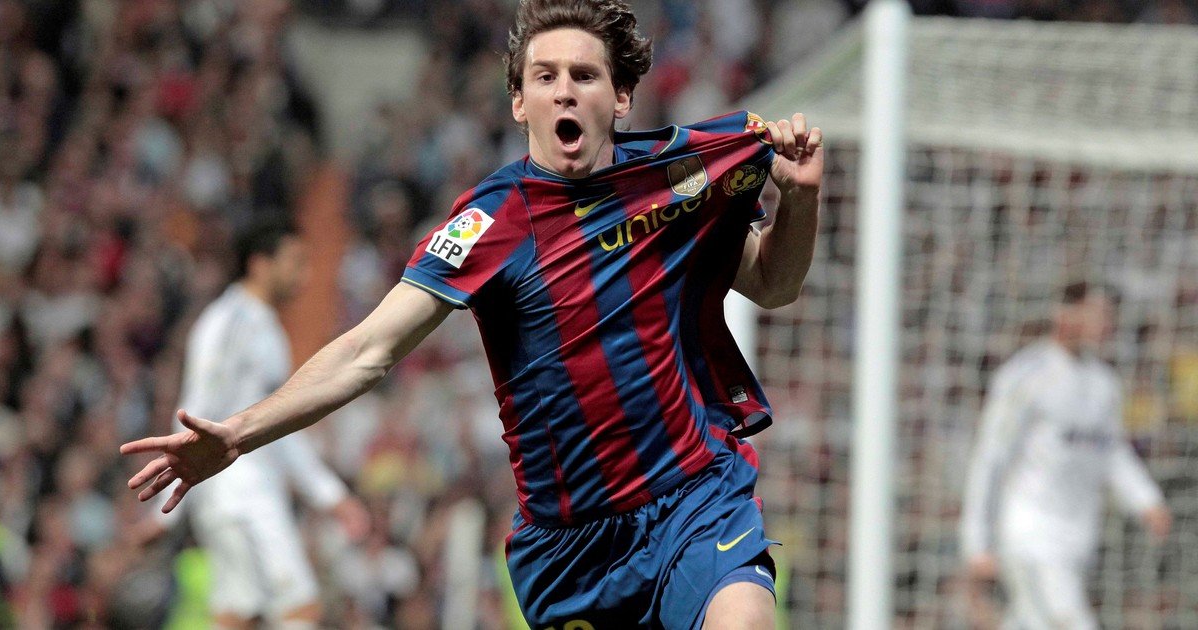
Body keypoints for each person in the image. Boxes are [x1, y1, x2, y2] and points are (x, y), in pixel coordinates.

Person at [121, 1, 823, 627]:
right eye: (545, 76)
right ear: (519, 102)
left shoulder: (674, 184)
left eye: (584, 75)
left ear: (620, 96)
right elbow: (369, 350)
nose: (564, 90)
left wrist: (799, 200)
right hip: (573, 548)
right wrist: (239, 434)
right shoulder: (490, 222)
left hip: (694, 497)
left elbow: (773, 283)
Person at [141, 222, 369, 630]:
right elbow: (195, 409)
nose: (304, 275)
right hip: (241, 491)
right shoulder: (230, 321)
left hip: (238, 491)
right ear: (260, 264)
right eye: (295, 262)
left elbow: (278, 429)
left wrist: (329, 495)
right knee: (299, 606)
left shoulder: (263, 325)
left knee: (237, 615)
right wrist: (164, 513)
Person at [960, 282, 1173, 630]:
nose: (1106, 322)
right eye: (1096, 313)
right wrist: (976, 541)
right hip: (1030, 533)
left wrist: (1146, 500)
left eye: (1108, 314)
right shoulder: (1026, 375)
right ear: (1064, 315)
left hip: (1078, 537)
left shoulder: (1104, 383)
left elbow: (1112, 451)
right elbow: (991, 458)